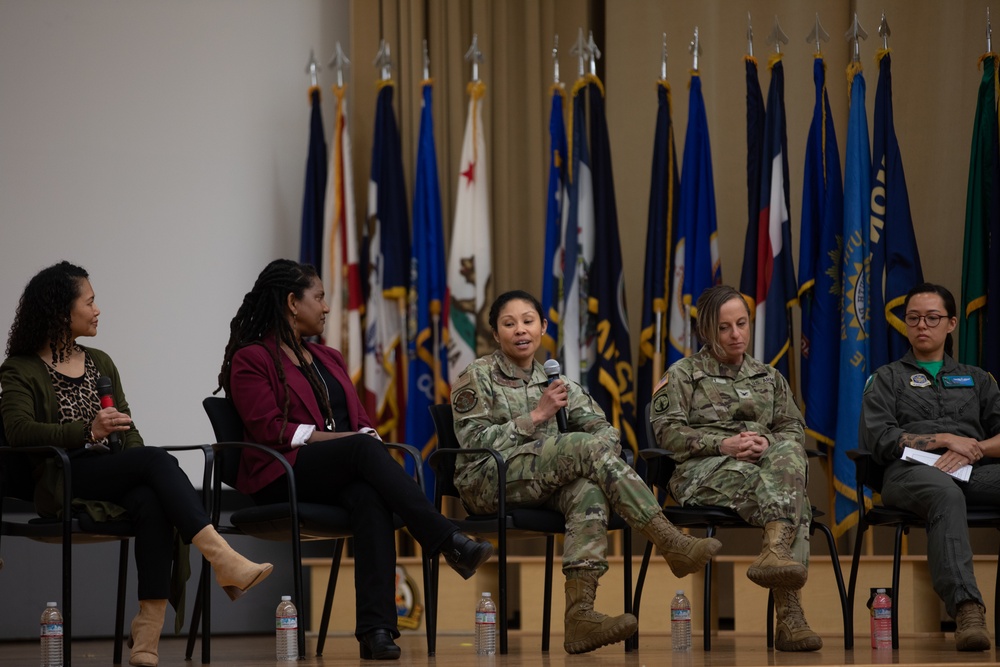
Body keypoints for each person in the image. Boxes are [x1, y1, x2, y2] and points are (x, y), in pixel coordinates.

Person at [218, 259, 492, 661]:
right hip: (282, 473)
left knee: (369, 496)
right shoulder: (252, 358)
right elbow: (269, 430)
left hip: (338, 472)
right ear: (293, 303)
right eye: (320, 297)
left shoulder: (329, 359)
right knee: (365, 451)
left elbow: (362, 424)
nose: (327, 307)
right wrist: (352, 441)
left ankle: (376, 631)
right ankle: (445, 538)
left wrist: (359, 439)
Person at [0, 261, 272, 667]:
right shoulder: (20, 368)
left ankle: (146, 638)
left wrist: (130, 455)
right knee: (153, 467)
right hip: (64, 477)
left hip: (107, 471)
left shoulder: (101, 363)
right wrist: (87, 431)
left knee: (150, 496)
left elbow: (127, 431)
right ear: (61, 311)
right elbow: (19, 432)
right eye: (90, 302)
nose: (98, 309)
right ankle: (222, 558)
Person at [450, 289, 721, 655]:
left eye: (528, 321)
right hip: (489, 480)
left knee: (588, 492)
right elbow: (473, 442)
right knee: (581, 449)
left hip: (542, 482)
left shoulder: (557, 383)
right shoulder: (476, 376)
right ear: (495, 333)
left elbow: (604, 430)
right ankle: (668, 541)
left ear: (543, 327)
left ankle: (579, 616)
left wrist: (590, 457)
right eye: (509, 324)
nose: (520, 330)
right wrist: (535, 417)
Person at [649, 285, 821, 652]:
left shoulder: (769, 377)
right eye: (725, 327)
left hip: (764, 467)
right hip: (704, 471)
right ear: (706, 332)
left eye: (741, 323)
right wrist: (721, 444)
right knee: (796, 503)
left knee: (789, 457)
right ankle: (790, 618)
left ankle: (776, 552)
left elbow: (792, 428)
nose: (736, 334)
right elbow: (667, 433)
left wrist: (768, 443)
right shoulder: (683, 374)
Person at [860, 282, 1000, 652]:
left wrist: (974, 448)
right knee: (944, 492)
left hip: (970, 469)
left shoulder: (978, 379)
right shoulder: (887, 378)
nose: (922, 326)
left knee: (952, 487)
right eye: (914, 318)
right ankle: (968, 609)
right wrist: (942, 439)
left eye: (932, 318)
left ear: (951, 323)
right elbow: (879, 439)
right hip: (908, 475)